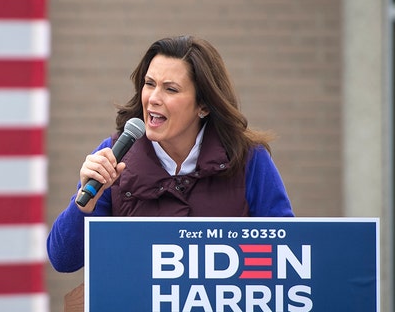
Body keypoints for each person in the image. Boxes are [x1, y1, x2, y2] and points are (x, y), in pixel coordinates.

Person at [47, 35, 294, 273]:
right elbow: (63, 260)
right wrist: (84, 207)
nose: (153, 98)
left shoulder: (248, 159)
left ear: (204, 105)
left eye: (171, 89)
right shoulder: (113, 155)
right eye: (149, 84)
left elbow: (286, 253)